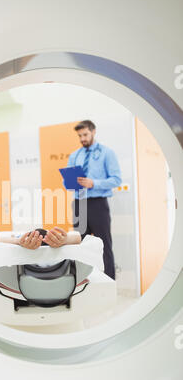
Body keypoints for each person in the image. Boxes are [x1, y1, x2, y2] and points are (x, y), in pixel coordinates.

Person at [65, 120, 122, 279]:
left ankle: (109, 281)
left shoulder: (107, 153)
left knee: (104, 245)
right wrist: (69, 182)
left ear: (93, 132)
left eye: (85, 134)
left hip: (98, 204)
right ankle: (81, 282)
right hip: (78, 204)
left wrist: (94, 183)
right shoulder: (74, 156)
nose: (82, 138)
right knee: (79, 245)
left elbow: (116, 180)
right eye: (80, 136)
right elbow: (67, 184)